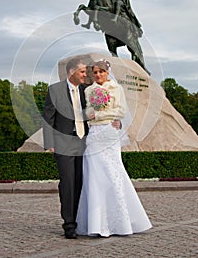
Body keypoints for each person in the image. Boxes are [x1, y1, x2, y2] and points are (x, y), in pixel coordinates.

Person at [76, 60, 152, 237]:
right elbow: (87, 113)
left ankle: (121, 222)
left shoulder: (116, 89)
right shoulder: (88, 90)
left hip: (110, 132)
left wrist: (100, 114)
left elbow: (121, 112)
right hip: (94, 134)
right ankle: (96, 223)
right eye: (95, 72)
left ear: (107, 72)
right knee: (94, 176)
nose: (98, 75)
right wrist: (92, 115)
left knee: (113, 173)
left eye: (101, 72)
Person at [43, 58, 88, 239]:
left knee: (80, 182)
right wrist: (50, 143)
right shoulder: (55, 90)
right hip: (63, 144)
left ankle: (79, 221)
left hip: (84, 143)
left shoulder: (87, 91)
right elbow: (48, 117)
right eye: (83, 72)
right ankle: (69, 225)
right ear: (72, 72)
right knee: (68, 183)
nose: (86, 75)